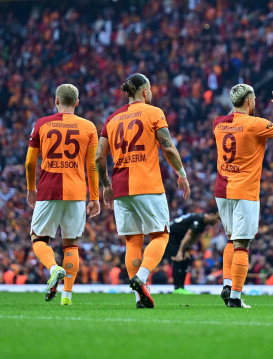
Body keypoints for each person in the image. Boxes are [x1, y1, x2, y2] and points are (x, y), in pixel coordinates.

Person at [96, 73, 190, 309]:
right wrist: (182, 174)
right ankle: (142, 277)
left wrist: (106, 185)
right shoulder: (154, 112)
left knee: (132, 242)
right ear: (145, 91)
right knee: (161, 235)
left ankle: (140, 298)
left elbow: (98, 157)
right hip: (147, 184)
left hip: (120, 187)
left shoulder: (111, 119)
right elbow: (168, 148)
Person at [214, 86, 273, 308]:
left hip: (222, 190)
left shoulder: (218, 124)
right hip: (245, 190)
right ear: (250, 101)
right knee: (242, 244)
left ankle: (227, 282)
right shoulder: (256, 123)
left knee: (232, 239)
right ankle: (234, 297)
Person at [26, 84, 100, 305]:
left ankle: (53, 267)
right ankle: (67, 296)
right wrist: (94, 197)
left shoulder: (42, 124)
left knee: (38, 239)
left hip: (48, 189)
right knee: (71, 244)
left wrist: (31, 189)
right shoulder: (88, 127)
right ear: (77, 103)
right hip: (76, 192)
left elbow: (30, 162)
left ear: (56, 100)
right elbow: (93, 166)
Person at [166, 208, 221, 294]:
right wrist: (181, 251)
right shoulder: (199, 219)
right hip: (171, 235)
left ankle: (181, 287)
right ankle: (177, 288)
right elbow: (188, 235)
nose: (217, 221)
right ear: (211, 215)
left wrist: (187, 249)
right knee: (178, 259)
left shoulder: (203, 223)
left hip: (178, 238)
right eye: (217, 218)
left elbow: (194, 237)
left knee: (186, 259)